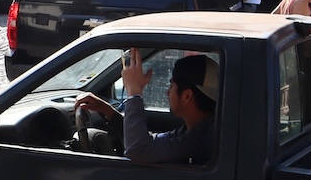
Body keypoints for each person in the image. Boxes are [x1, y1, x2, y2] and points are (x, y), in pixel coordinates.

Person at [73, 50, 218, 164]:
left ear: (187, 95)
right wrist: (108, 111)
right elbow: (151, 143)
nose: (167, 92)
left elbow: (138, 150)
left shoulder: (200, 140)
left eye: (172, 86)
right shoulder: (199, 129)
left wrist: (134, 92)